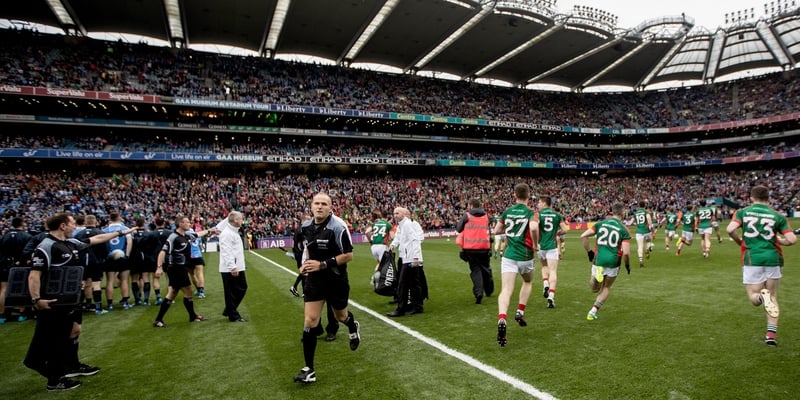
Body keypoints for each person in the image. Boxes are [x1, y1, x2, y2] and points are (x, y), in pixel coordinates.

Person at [24, 212, 135, 391]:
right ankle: (55, 379)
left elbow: (97, 238)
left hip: (70, 298)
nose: (75, 226)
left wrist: (121, 233)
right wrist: (37, 299)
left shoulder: (70, 243)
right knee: (55, 340)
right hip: (54, 301)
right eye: (72, 223)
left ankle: (72, 366)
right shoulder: (46, 246)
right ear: (62, 226)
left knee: (74, 330)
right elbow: (34, 275)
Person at [294, 192, 361, 384]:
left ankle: (352, 325)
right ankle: (309, 369)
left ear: (331, 207)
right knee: (310, 320)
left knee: (340, 316)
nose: (320, 206)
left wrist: (322, 264)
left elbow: (348, 255)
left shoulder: (337, 228)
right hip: (314, 280)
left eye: (324, 204)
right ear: (311, 206)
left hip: (336, 279)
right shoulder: (305, 227)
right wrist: (303, 264)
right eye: (317, 203)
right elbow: (304, 249)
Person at [726, 185, 796, 346]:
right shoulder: (777, 215)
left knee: (754, 297)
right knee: (773, 296)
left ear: (751, 198)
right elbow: (792, 240)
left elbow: (730, 229)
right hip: (774, 258)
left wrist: (740, 242)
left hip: (752, 258)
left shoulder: (743, 212)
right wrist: (781, 241)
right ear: (768, 198)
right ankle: (771, 335)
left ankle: (760, 297)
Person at [492, 183, 538, 346]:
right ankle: (519, 311)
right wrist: (535, 244)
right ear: (528, 195)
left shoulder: (507, 212)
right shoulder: (530, 212)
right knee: (527, 281)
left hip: (509, 255)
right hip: (525, 255)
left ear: (515, 195)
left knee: (506, 289)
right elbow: (533, 227)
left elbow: (496, 230)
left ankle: (502, 318)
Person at [152, 216, 217, 327]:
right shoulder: (173, 237)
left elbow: (198, 234)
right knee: (187, 291)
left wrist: (210, 230)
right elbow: (162, 252)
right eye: (187, 222)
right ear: (180, 224)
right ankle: (191, 316)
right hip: (176, 268)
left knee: (173, 293)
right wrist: (159, 267)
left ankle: (159, 320)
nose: (189, 224)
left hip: (181, 268)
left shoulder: (186, 235)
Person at [288, 214, 340, 341]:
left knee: (330, 300)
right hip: (309, 270)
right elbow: (297, 249)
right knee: (311, 300)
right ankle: (315, 328)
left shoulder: (327, 230)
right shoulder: (300, 232)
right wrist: (301, 266)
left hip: (326, 269)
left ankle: (332, 329)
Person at [581, 202, 631, 321]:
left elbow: (583, 236)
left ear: (612, 211)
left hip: (598, 259)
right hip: (613, 262)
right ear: (622, 213)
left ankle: (595, 277)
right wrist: (627, 265)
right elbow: (627, 253)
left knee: (594, 288)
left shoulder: (600, 224)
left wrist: (589, 252)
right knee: (606, 288)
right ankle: (592, 311)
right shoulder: (624, 229)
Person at [387, 207, 425, 317]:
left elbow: (416, 240)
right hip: (407, 257)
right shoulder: (401, 225)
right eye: (394, 213)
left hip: (410, 258)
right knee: (414, 283)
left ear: (403, 214)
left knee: (403, 283)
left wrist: (416, 257)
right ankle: (418, 306)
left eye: (397, 213)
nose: (395, 215)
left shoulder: (408, 224)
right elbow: (398, 237)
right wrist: (393, 244)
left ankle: (401, 309)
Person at [456, 198, 493, 304]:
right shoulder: (486, 216)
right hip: (484, 247)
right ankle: (489, 290)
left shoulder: (467, 216)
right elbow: (489, 230)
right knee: (486, 269)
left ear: (471, 205)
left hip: (470, 248)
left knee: (475, 270)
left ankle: (478, 292)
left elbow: (458, 229)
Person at [537, 196, 568, 308]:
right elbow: (565, 230)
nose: (538, 204)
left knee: (544, 267)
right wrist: (556, 233)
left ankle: (545, 284)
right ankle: (551, 296)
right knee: (553, 271)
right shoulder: (557, 215)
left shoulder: (538, 215)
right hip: (552, 246)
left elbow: (535, 228)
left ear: (545, 203)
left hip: (541, 245)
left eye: (539, 202)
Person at [74, 215, 108, 315]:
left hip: (82, 261)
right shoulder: (100, 233)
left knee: (83, 283)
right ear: (96, 222)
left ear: (85, 222)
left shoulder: (79, 234)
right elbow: (105, 248)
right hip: (96, 261)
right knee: (96, 284)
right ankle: (98, 308)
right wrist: (104, 258)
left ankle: (81, 306)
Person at [0, 217, 33, 323]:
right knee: (22, 287)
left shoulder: (4, 236)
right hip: (21, 264)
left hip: (5, 264)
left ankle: (2, 314)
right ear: (22, 223)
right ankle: (22, 313)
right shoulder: (26, 236)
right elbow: (27, 252)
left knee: (4, 289)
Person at [218, 211, 248, 322]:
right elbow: (226, 251)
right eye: (240, 219)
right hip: (230, 268)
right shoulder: (227, 233)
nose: (242, 221)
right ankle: (233, 315)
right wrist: (232, 266)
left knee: (241, 288)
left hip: (236, 266)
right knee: (232, 291)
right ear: (235, 220)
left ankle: (230, 309)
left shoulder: (233, 232)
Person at [102, 212, 132, 310]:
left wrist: (106, 255)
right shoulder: (126, 229)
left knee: (110, 281)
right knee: (124, 280)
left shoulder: (104, 230)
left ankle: (110, 304)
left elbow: (102, 243)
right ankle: (125, 303)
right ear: (119, 218)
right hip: (122, 255)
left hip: (110, 257)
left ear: (110, 218)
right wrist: (127, 255)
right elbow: (129, 242)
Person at [365, 210, 392, 275]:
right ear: (387, 217)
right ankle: (377, 279)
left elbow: (366, 232)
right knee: (385, 265)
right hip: (382, 246)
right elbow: (392, 237)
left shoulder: (375, 224)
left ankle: (377, 278)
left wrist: (370, 241)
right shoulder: (388, 224)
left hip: (373, 247)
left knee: (379, 263)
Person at [632, 201, 653, 267]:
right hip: (646, 231)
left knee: (640, 247)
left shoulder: (635, 213)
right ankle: (647, 249)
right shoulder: (646, 212)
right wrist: (651, 227)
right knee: (649, 240)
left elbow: (632, 221)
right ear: (645, 205)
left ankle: (641, 260)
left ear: (639, 205)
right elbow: (649, 220)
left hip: (639, 231)